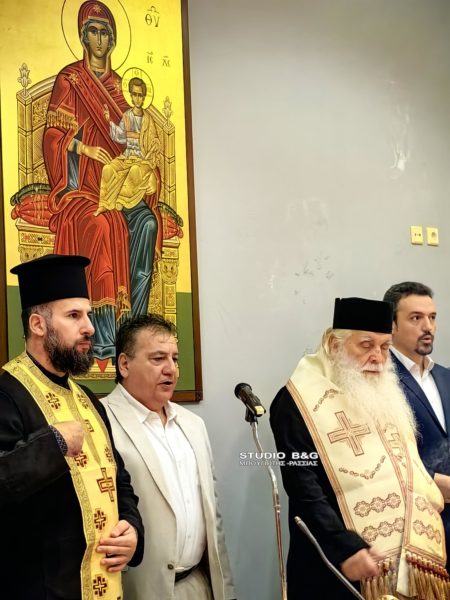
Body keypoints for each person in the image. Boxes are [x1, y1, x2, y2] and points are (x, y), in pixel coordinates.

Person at [270, 297, 449, 600]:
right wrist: (345, 546)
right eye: (366, 345)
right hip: (335, 565)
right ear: (334, 345)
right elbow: (304, 488)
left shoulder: (385, 393)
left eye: (384, 347)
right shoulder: (297, 402)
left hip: (406, 564)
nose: (377, 357)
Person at [0, 254, 144, 600]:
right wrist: (53, 443)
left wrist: (132, 528)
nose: (90, 328)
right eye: (74, 316)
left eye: (88, 315)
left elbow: (119, 480)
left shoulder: (88, 400)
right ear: (38, 325)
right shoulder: (7, 393)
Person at [43, 1, 161, 363]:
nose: (98, 38)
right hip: (82, 188)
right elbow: (52, 136)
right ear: (82, 36)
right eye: (92, 31)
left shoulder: (123, 89)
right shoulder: (71, 81)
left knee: (147, 223)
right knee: (102, 223)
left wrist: (142, 168)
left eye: (104, 32)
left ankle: (135, 327)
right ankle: (105, 336)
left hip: (120, 186)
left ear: (113, 39)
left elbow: (138, 140)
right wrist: (85, 149)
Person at [102, 314, 236, 600]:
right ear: (124, 364)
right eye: (158, 358)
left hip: (198, 584)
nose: (171, 369)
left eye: (175, 359)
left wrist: (225, 589)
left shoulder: (193, 425)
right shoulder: (101, 422)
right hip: (137, 589)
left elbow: (213, 517)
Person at [384, 282, 450, 567]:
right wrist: (435, 483)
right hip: (412, 529)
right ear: (392, 325)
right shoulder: (378, 381)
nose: (428, 327)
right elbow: (381, 453)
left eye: (432, 317)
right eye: (416, 318)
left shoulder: (446, 377)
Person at [96, 77, 161, 215]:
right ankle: (104, 203)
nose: (137, 98)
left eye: (140, 95)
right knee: (108, 168)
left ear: (144, 98)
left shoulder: (148, 120)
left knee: (135, 170)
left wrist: (150, 165)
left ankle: (121, 201)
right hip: (127, 157)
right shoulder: (127, 116)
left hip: (142, 160)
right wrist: (108, 120)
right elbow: (120, 136)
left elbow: (154, 143)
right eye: (134, 94)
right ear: (131, 96)